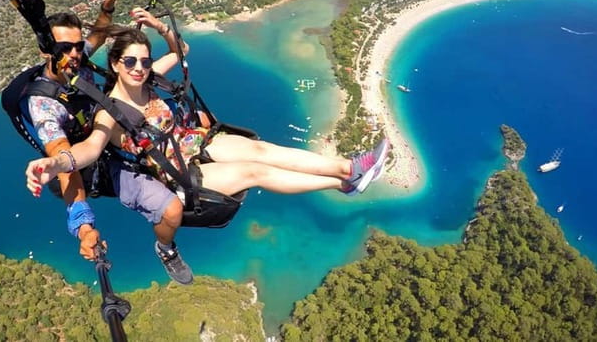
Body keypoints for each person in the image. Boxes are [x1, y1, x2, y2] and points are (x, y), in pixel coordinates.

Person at [24, 25, 390, 285]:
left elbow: (180, 52)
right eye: (132, 62)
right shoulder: (109, 111)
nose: (140, 68)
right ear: (117, 64)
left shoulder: (147, 80)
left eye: (144, 61)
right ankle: (340, 182)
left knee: (260, 149)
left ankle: (349, 169)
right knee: (253, 171)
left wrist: (157, 26)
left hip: (195, 143)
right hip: (178, 173)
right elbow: (88, 150)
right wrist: (53, 164)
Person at [23, 0, 182, 264]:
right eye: (64, 48)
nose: (74, 54)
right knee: (168, 205)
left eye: (76, 46)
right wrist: (84, 229)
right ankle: (166, 248)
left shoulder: (76, 59)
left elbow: (99, 31)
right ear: (46, 51)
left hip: (108, 127)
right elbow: (65, 160)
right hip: (85, 159)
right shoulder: (44, 105)